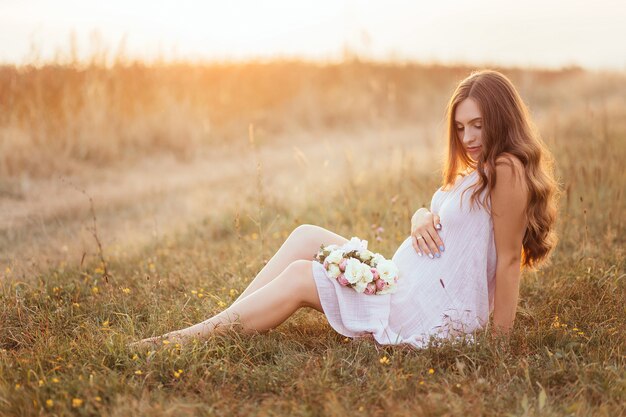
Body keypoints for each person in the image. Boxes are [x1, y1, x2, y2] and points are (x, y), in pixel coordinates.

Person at [129, 69, 559, 350]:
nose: (467, 137)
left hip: (423, 309)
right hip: (403, 279)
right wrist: (419, 216)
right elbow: (452, 215)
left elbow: (506, 263)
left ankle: (181, 342)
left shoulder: (507, 169)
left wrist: (497, 348)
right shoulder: (480, 169)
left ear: (501, 118)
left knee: (301, 275)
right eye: (461, 127)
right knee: (306, 236)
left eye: (479, 125)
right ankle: (225, 322)